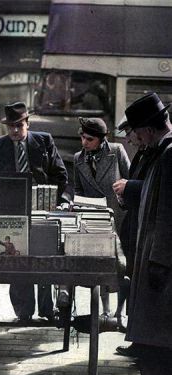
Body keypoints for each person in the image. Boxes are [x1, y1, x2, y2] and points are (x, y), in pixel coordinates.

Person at [0, 101, 71, 322]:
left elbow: (60, 174)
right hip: (11, 211)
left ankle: (46, 309)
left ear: (27, 124)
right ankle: (23, 311)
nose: (14, 131)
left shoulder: (43, 141)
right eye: (10, 126)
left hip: (42, 209)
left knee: (43, 258)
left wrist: (52, 199)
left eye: (19, 126)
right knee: (17, 260)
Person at [122, 93, 172, 375]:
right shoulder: (162, 152)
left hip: (161, 270)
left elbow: (168, 215)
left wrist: (158, 263)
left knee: (157, 346)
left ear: (150, 130)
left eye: (138, 133)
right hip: (157, 262)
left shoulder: (169, 155)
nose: (136, 140)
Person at [74, 117, 130, 316]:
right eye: (82, 138)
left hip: (119, 217)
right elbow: (78, 189)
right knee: (101, 266)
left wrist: (122, 191)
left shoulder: (116, 152)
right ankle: (105, 311)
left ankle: (120, 312)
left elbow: (129, 180)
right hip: (95, 220)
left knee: (122, 266)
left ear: (101, 139)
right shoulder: (78, 158)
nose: (84, 143)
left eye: (89, 139)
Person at [112, 120, 155, 337]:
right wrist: (123, 197)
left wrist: (128, 186)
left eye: (130, 133)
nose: (128, 139)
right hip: (133, 224)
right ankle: (133, 334)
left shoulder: (159, 153)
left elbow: (152, 186)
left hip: (146, 228)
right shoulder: (142, 153)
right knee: (130, 277)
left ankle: (139, 338)